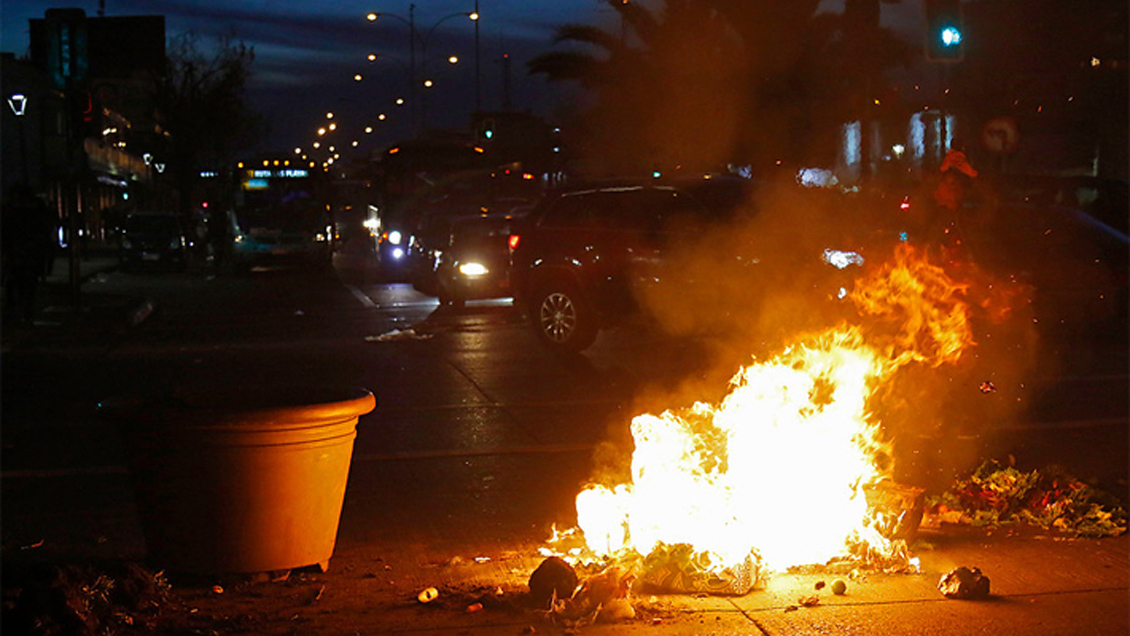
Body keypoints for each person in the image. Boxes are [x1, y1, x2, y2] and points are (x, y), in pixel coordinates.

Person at [2, 185, 57, 323]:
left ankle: (18, 310)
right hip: (28, 253)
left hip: (21, 252)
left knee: (18, 282)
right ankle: (24, 310)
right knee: (26, 283)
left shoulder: (13, 212)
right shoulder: (35, 212)